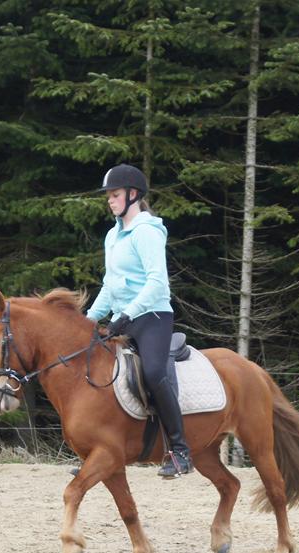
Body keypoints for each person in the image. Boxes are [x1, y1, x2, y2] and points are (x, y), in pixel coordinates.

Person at [86, 163, 193, 478]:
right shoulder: (112, 236)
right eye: (109, 196)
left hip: (152, 317)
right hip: (124, 318)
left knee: (154, 371)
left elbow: (157, 282)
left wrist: (127, 314)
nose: (110, 200)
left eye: (115, 195)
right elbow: (109, 285)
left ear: (133, 195)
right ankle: (98, 447)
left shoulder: (146, 232)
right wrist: (87, 320)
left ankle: (180, 450)